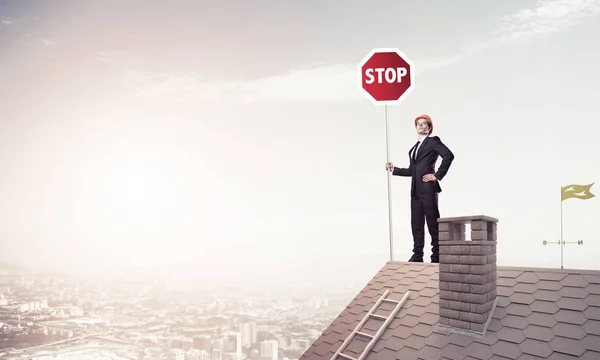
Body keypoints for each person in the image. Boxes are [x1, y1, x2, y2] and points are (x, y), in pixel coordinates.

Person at [385, 114, 454, 263]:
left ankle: (436, 255)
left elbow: (449, 155)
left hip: (428, 189)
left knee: (432, 222)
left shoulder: (432, 141)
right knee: (416, 223)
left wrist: (437, 175)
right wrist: (394, 169)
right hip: (415, 191)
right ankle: (417, 255)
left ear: (429, 128)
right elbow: (413, 170)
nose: (421, 125)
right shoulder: (415, 148)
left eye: (424, 124)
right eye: (418, 123)